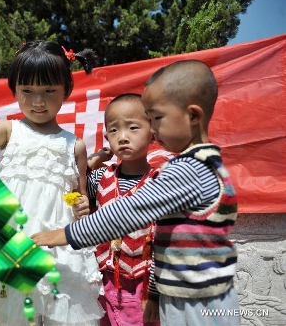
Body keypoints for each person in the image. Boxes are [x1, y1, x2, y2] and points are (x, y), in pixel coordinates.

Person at [32, 60, 240, 326]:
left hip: (196, 302)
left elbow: (129, 211)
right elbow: (167, 245)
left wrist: (64, 235)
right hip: (188, 294)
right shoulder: (204, 164)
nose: (153, 129)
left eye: (157, 119)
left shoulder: (190, 170)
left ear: (193, 115)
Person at [0, 40, 104, 326]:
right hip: (9, 241)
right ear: (15, 91)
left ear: (66, 92)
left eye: (49, 91)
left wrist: (83, 205)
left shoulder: (75, 146)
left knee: (61, 311)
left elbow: (79, 197)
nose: (38, 101)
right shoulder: (9, 130)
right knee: (5, 312)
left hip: (59, 248)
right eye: (28, 91)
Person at [84, 94, 160, 326]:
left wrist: (154, 294)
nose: (123, 137)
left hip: (142, 285)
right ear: (106, 137)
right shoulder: (99, 177)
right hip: (101, 281)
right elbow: (71, 186)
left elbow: (166, 244)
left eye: (133, 127)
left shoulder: (161, 184)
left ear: (153, 133)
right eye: (114, 130)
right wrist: (94, 160)